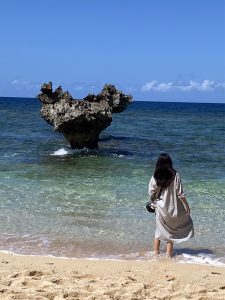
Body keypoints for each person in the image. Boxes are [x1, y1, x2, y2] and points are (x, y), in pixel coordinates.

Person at [148, 153, 194, 257]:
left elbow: (151, 192)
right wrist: (187, 206)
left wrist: (153, 202)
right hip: (173, 208)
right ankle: (168, 255)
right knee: (171, 231)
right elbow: (180, 194)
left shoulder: (156, 175)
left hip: (160, 208)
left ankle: (155, 253)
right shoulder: (175, 175)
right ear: (170, 163)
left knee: (159, 231)